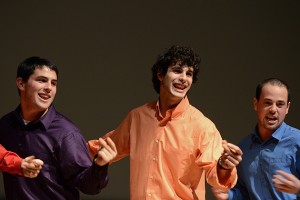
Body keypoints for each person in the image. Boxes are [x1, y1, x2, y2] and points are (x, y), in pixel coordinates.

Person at [88, 45, 243, 199]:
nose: (184, 78)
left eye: (189, 74)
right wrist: (69, 152)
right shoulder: (137, 117)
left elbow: (216, 175)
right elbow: (104, 148)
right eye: (177, 70)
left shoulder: (203, 126)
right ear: (160, 74)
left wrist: (224, 165)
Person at [0, 56, 117, 200]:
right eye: (42, 80)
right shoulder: (5, 125)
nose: (49, 87)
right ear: (21, 83)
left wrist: (100, 166)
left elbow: (88, 186)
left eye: (54, 83)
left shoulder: (66, 133)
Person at [211, 78, 300, 199]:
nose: (273, 110)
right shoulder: (244, 148)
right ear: (255, 104)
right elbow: (243, 192)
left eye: (280, 104)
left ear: (287, 107)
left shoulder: (297, 141)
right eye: (267, 103)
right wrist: (228, 195)